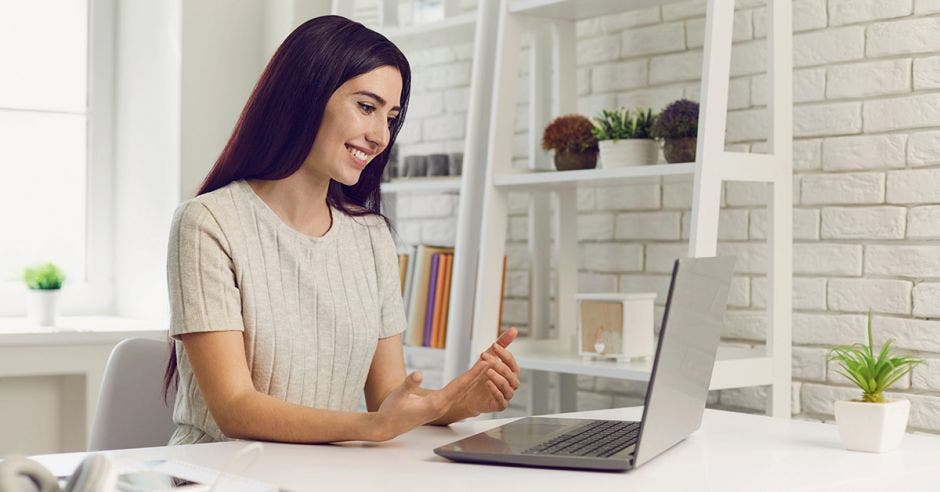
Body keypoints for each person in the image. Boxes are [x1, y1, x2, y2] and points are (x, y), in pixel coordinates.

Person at [163, 15, 520, 445]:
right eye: (366, 107)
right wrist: (372, 428)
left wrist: (456, 400)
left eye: (391, 117)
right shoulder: (207, 223)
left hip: (326, 473)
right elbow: (235, 408)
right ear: (305, 96)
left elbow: (387, 396)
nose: (380, 136)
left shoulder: (370, 237)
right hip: (217, 476)